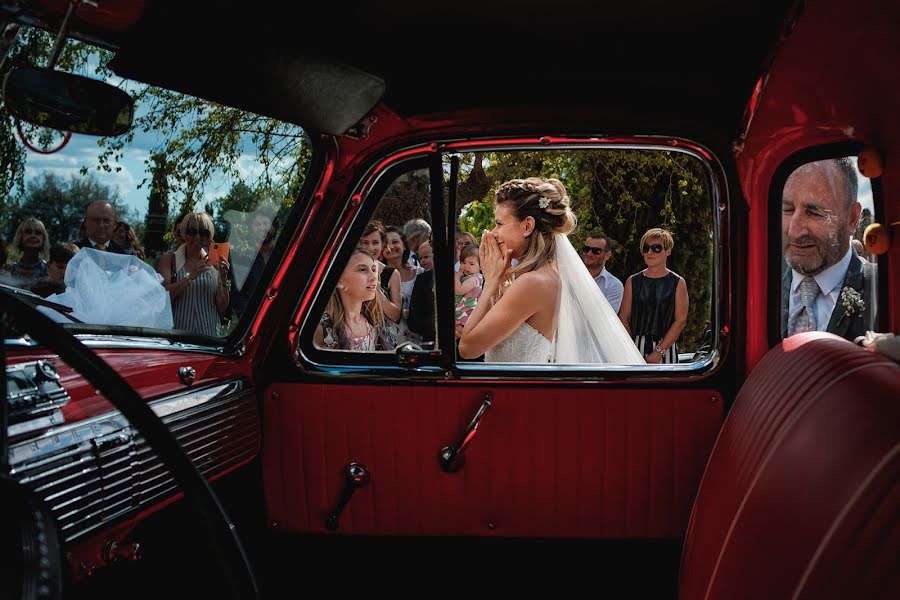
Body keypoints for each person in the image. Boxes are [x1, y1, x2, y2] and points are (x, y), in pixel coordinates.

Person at [457, 177, 644, 364]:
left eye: (499, 224)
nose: (494, 232)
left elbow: (467, 349)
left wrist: (490, 282)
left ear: (527, 226)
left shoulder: (533, 282)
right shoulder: (544, 276)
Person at [781, 157, 874, 340]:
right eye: (788, 209)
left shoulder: (884, 289)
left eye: (814, 212)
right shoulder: (755, 288)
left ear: (852, 219)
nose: (794, 231)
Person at [619, 228, 689, 364]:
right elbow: (624, 317)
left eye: (656, 248)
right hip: (634, 347)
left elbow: (680, 321)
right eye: (646, 248)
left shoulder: (678, 282)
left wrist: (659, 352)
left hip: (666, 348)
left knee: (663, 385)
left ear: (668, 251)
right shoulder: (632, 281)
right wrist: (631, 348)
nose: (650, 252)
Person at [156, 211, 230, 337]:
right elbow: (161, 297)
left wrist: (222, 279)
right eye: (192, 232)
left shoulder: (214, 262)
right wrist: (190, 276)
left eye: (203, 233)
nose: (197, 237)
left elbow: (222, 308)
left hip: (210, 337)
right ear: (184, 233)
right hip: (176, 337)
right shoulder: (170, 260)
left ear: (209, 237)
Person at [314, 248, 390, 351]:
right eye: (362, 270)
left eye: (373, 269)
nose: (373, 277)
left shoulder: (375, 322)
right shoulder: (321, 328)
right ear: (339, 282)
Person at [229, 208, 278, 318]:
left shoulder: (285, 255)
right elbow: (238, 299)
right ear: (251, 229)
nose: (262, 228)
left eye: (266, 223)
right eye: (257, 224)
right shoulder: (244, 261)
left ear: (274, 227)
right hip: (257, 324)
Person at [358, 220, 401, 323]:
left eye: (375, 242)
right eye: (365, 242)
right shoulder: (348, 271)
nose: (370, 248)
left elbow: (396, 316)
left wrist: (377, 291)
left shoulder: (392, 274)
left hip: (382, 334)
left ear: (383, 245)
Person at [581, 233, 624, 312]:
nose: (589, 254)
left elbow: (607, 318)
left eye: (596, 251)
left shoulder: (614, 285)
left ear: (607, 255)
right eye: (586, 249)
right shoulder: (569, 276)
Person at [7, 217, 50, 286]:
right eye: (28, 232)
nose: (33, 235)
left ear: (43, 239)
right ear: (20, 236)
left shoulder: (49, 272)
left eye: (38, 233)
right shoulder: (9, 270)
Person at [407, 240, 436, 343]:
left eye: (426, 257)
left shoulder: (471, 274)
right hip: (433, 341)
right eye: (420, 258)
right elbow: (414, 321)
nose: (423, 261)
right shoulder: (422, 279)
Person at [454, 243, 483, 330]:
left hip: (465, 317)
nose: (466, 266)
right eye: (463, 262)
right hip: (460, 315)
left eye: (471, 264)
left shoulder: (474, 279)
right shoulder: (467, 277)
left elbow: (459, 290)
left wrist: (456, 276)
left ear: (481, 266)